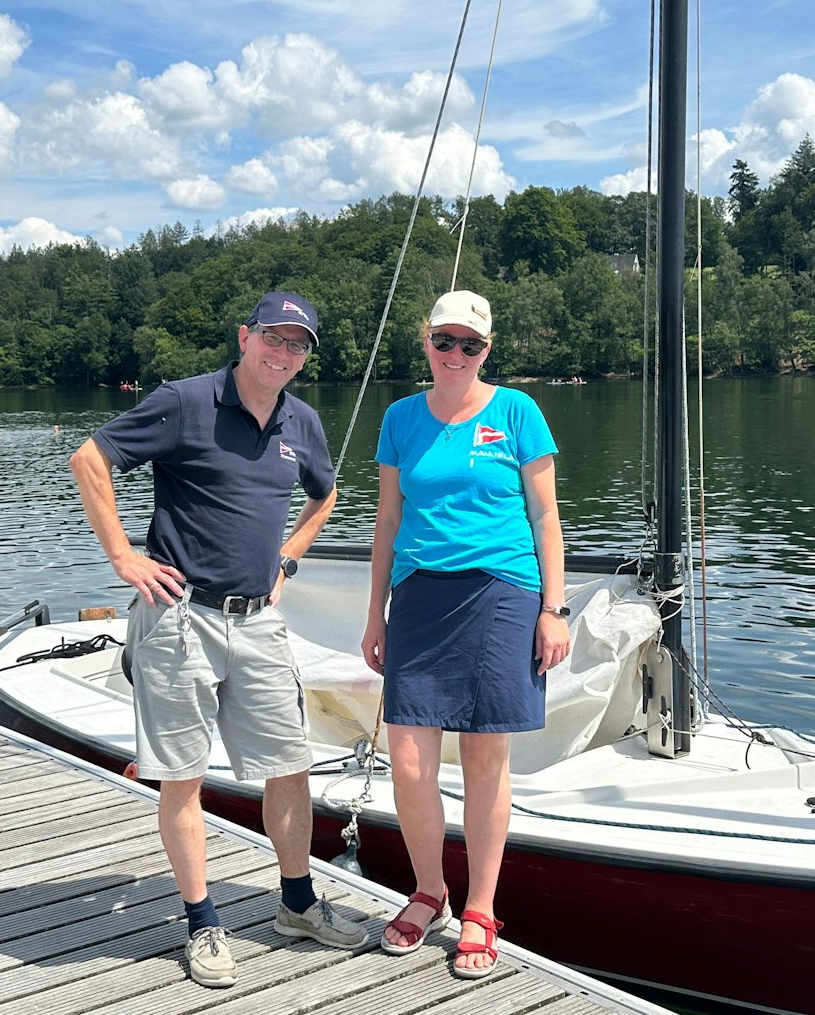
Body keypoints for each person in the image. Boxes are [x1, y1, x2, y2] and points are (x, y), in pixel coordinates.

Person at [69, 291, 367, 988]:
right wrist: (122, 557)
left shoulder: (303, 422)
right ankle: (203, 922)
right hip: (179, 616)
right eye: (274, 337)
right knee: (183, 774)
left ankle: (296, 903)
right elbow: (91, 458)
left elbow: (325, 492)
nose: (283, 352)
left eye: (297, 344)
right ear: (245, 335)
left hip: (259, 618)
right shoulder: (186, 400)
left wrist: (289, 557)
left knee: (289, 763)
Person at [360, 289, 570, 979]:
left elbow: (546, 517)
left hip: (503, 592)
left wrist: (554, 608)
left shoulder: (517, 411)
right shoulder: (399, 418)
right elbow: (387, 520)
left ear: (488, 348)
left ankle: (480, 906)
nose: (455, 354)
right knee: (412, 760)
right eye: (444, 340)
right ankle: (429, 889)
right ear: (426, 341)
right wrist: (374, 613)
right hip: (419, 597)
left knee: (484, 758)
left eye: (469, 344)